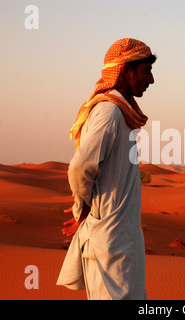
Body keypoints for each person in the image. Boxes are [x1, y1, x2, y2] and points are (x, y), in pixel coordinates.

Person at [56, 38, 156, 300]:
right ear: (126, 71)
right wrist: (82, 207)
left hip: (121, 240)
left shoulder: (121, 114)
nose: (151, 80)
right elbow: (79, 168)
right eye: (146, 70)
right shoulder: (109, 112)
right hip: (108, 243)